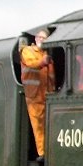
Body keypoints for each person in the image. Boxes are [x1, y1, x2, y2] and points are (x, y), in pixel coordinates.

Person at [20, 29, 56, 158]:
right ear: (35, 39)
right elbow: (32, 64)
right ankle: (42, 152)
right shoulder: (28, 51)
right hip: (33, 95)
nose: (42, 40)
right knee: (38, 125)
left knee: (48, 125)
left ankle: (48, 151)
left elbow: (51, 78)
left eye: (45, 38)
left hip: (46, 96)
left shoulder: (47, 56)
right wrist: (43, 62)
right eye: (40, 38)